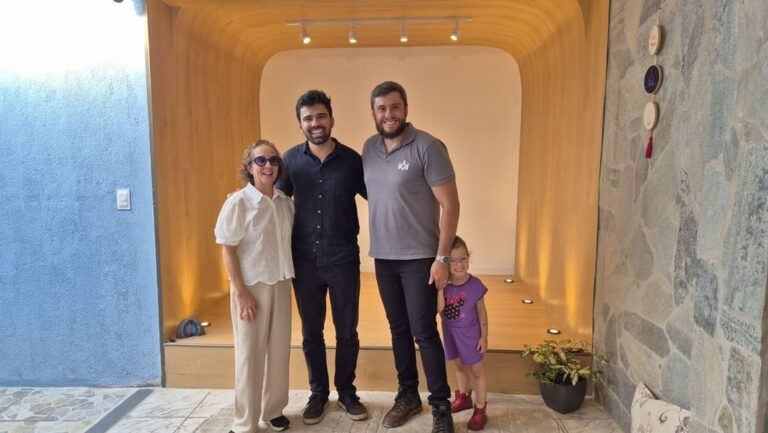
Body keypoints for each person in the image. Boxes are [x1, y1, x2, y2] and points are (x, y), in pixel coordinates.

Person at [362, 81, 460, 433]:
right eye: (381, 108)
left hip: (420, 258)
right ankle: (407, 395)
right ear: (374, 113)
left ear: (405, 109)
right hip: (383, 258)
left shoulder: (428, 147)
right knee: (398, 329)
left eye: (394, 107)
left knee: (424, 331)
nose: (389, 114)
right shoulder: (369, 149)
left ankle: (441, 407)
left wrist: (442, 258)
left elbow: (451, 205)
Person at [276, 90, 369, 424]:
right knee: (311, 333)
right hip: (304, 260)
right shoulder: (289, 160)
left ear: (331, 118)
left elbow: (380, 196)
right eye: (308, 118)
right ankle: (318, 394)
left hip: (343, 259)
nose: (315, 123)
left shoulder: (353, 160)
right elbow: (273, 201)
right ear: (300, 124)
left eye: (320, 116)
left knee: (347, 331)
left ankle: (346, 393)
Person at [214, 140, 294, 433]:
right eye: (260, 161)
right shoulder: (237, 203)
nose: (268, 166)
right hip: (251, 288)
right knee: (250, 355)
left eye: (273, 160)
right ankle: (245, 421)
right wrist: (241, 293)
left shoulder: (285, 203)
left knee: (279, 352)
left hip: (281, 283)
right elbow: (228, 250)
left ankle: (273, 411)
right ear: (249, 167)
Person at [441, 236, 489, 431]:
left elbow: (482, 312)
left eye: (463, 258)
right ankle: (464, 397)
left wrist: (484, 336)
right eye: (453, 260)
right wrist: (440, 288)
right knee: (459, 367)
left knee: (477, 371)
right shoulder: (444, 284)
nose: (459, 264)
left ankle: (480, 409)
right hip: (450, 333)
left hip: (470, 334)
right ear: (445, 262)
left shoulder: (475, 285)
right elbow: (438, 309)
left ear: (469, 257)